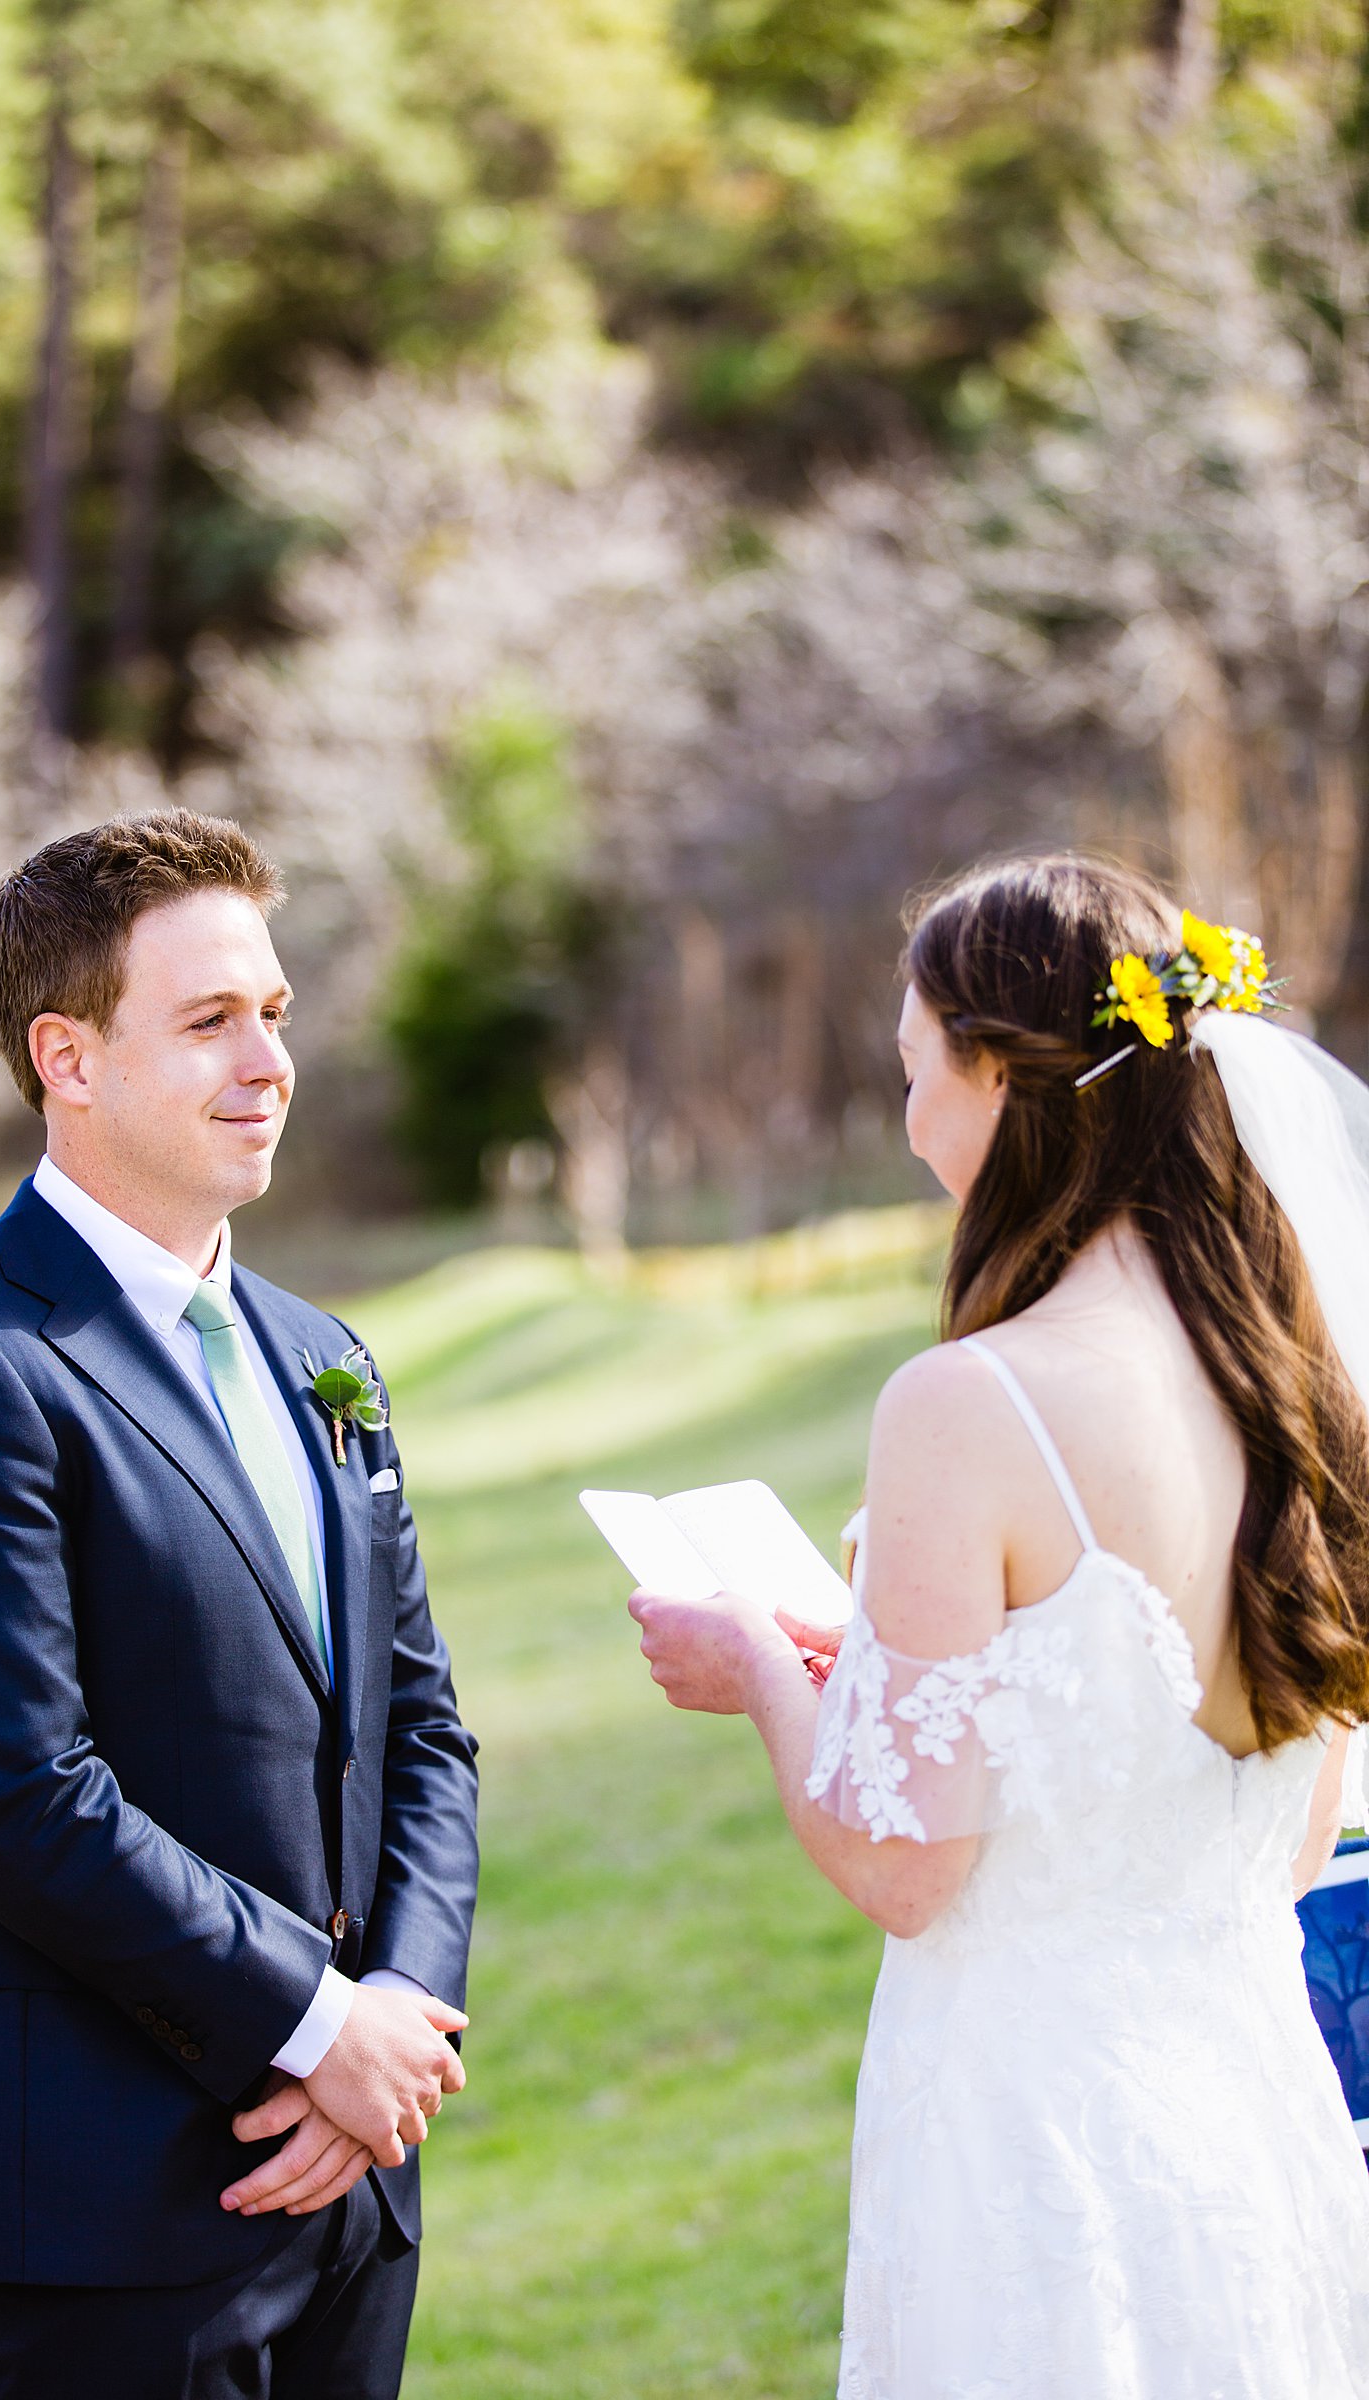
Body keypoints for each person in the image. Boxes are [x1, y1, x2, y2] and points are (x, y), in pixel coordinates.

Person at [629, 854, 1369, 2399]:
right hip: (1252, 2105)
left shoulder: (974, 1400)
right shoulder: (1298, 1380)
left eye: (915, 1074)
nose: (910, 1126)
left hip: (1038, 2131)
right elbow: (1290, 1835)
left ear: (996, 1076)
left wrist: (760, 1664)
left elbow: (906, 1869)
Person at [0, 808, 479, 2399]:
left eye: (274, 1015)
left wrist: (397, 2013)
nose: (268, 1061)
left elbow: (425, 1732)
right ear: (70, 1056)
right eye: (209, 1023)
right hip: (106, 2225)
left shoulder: (321, 1349)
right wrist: (317, 2029)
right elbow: (18, 1799)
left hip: (354, 2190)